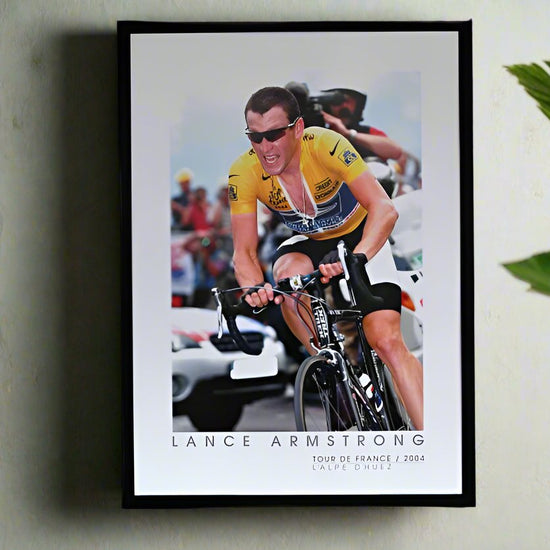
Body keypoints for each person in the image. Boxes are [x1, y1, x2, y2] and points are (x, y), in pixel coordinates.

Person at [228, 86, 423, 429]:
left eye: (274, 135)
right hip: (310, 240)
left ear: (298, 128)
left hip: (361, 235)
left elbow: (384, 209)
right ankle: (333, 368)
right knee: (287, 282)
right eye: (255, 138)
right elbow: (243, 253)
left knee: (387, 341)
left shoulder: (324, 144)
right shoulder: (243, 171)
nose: (265, 148)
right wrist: (252, 288)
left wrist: (357, 259)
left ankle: (429, 442)